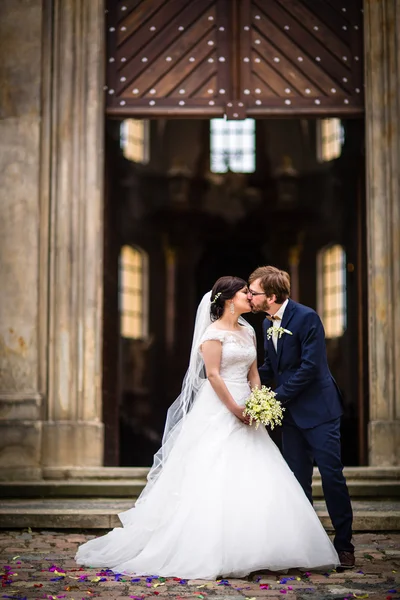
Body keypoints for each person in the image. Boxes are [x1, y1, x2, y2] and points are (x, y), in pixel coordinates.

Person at [75, 276, 339, 579]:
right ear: (229, 300)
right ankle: (216, 549)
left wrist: (258, 402)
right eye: (245, 293)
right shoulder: (212, 333)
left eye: (251, 293)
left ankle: (264, 547)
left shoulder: (250, 330)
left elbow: (254, 371)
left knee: (260, 473)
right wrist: (235, 409)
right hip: (221, 407)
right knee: (214, 474)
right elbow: (213, 376)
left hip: (248, 409)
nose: (250, 298)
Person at [248, 266, 354, 569]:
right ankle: (307, 546)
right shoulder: (268, 325)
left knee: (332, 477)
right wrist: (244, 383)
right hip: (291, 416)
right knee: (297, 482)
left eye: (253, 292)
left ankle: (345, 544)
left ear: (270, 295)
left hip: (320, 411)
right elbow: (272, 367)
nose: (249, 296)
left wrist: (273, 399)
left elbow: (310, 368)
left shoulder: (307, 318)